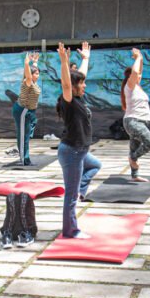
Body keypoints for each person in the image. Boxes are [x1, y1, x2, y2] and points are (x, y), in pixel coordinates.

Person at [56, 41, 101, 239]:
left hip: (80, 151)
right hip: (72, 152)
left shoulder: (78, 98)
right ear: (74, 88)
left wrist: (85, 59)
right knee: (70, 196)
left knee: (95, 165)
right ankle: (70, 231)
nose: (84, 85)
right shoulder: (69, 101)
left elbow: (78, 78)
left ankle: (79, 191)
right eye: (81, 84)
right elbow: (67, 83)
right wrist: (64, 62)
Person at [121, 48, 150, 182]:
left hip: (139, 121)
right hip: (133, 121)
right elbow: (136, 72)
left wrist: (140, 57)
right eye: (137, 75)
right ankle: (133, 159)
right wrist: (136, 59)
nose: (140, 75)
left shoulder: (137, 86)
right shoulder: (130, 86)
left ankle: (135, 175)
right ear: (131, 77)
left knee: (134, 147)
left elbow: (138, 71)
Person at [12, 52, 41, 165]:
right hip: (23, 110)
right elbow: (28, 75)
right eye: (36, 73)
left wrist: (35, 62)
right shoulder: (27, 82)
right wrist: (26, 63)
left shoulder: (34, 82)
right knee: (23, 135)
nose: (38, 75)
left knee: (28, 132)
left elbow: (32, 73)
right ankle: (24, 159)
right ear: (31, 74)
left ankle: (24, 153)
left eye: (38, 73)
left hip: (31, 111)